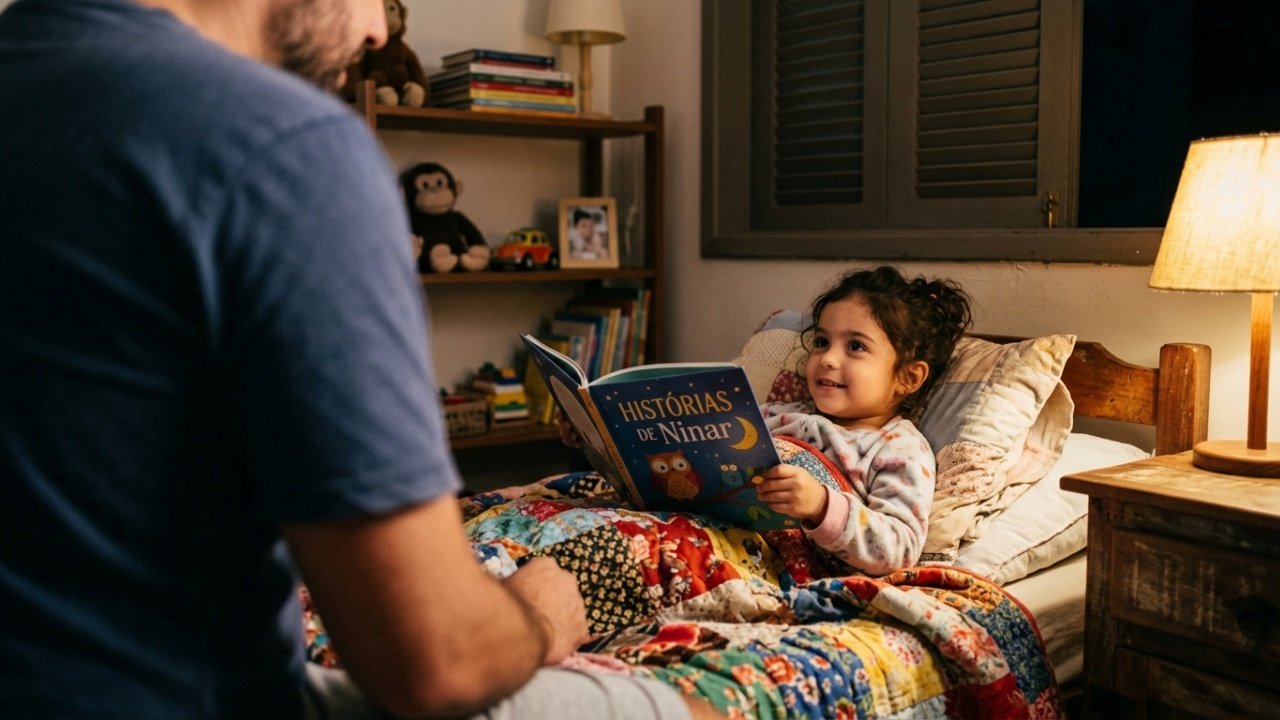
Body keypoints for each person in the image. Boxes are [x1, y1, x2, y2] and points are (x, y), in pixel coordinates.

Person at [0, 1, 715, 718]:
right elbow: (440, 663)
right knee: (676, 708)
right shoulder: (278, 140)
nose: (379, 34)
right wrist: (544, 613)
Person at [755, 266, 972, 576]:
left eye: (855, 346)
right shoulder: (778, 414)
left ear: (908, 377)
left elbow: (899, 546)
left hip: (785, 569)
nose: (827, 359)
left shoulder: (898, 449)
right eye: (821, 342)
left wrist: (821, 506)